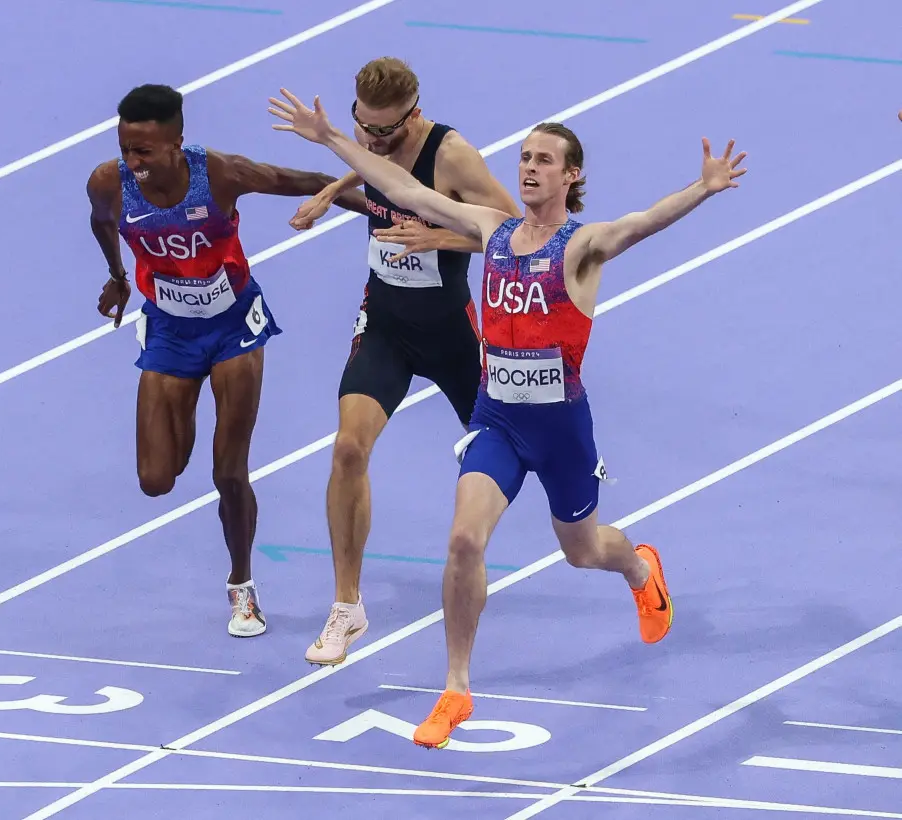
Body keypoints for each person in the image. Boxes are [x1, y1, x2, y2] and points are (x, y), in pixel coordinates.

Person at [269, 87, 746, 746]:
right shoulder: (491, 230)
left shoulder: (583, 246)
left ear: (571, 175)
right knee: (464, 540)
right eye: (524, 157)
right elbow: (405, 190)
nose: (528, 168)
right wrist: (330, 140)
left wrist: (703, 188)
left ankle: (639, 568)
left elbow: (643, 221)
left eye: (544, 160)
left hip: (560, 430)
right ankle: (456, 687)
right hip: (497, 421)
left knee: (583, 550)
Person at [88, 84, 367, 638]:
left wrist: (379, 207)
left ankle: (242, 587)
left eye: (144, 151)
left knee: (228, 471)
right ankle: (184, 402)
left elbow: (304, 183)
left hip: (233, 326)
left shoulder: (219, 174)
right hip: (168, 329)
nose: (132, 162)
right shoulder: (108, 183)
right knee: (156, 479)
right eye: (126, 149)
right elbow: (101, 222)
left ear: (177, 143)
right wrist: (120, 279)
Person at [284, 58, 521, 666]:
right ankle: (346, 607)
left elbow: (518, 233)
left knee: (525, 454)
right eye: (364, 128)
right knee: (347, 449)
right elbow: (374, 171)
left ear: (414, 114)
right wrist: (333, 190)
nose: (374, 141)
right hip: (386, 323)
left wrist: (440, 237)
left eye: (387, 134)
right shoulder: (368, 133)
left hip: (450, 333)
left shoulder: (452, 155)